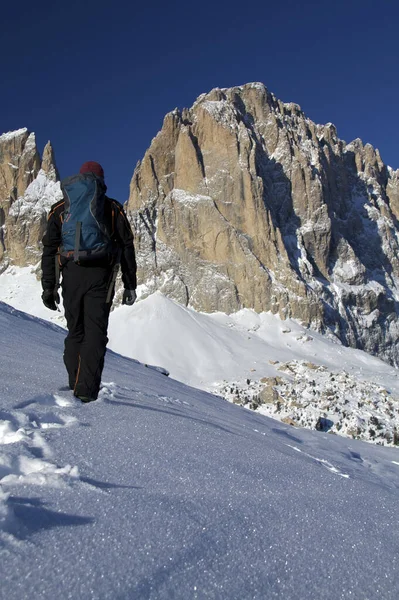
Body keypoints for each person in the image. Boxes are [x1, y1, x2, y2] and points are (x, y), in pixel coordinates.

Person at [41, 161, 137, 403]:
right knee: (95, 332)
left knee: (76, 332)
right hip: (100, 276)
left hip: (71, 275)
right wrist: (130, 284)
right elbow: (127, 246)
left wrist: (49, 287)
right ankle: (85, 392)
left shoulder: (61, 209)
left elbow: (49, 249)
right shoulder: (111, 207)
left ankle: (76, 382)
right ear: (101, 181)